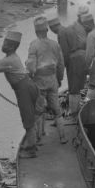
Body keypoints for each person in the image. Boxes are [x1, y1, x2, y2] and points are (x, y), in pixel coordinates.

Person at [26, 16, 67, 144]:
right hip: (53, 79)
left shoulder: (34, 45)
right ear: (47, 30)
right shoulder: (55, 44)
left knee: (38, 110)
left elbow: (31, 66)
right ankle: (63, 137)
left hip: (39, 81)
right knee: (57, 110)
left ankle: (38, 138)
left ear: (36, 31)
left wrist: (30, 78)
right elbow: (61, 64)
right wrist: (59, 79)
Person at [59, 5, 89, 119]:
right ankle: (73, 113)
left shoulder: (86, 27)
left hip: (83, 58)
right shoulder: (72, 28)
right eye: (84, 15)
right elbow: (66, 50)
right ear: (79, 16)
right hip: (76, 58)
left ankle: (75, 111)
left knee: (79, 85)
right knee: (74, 87)